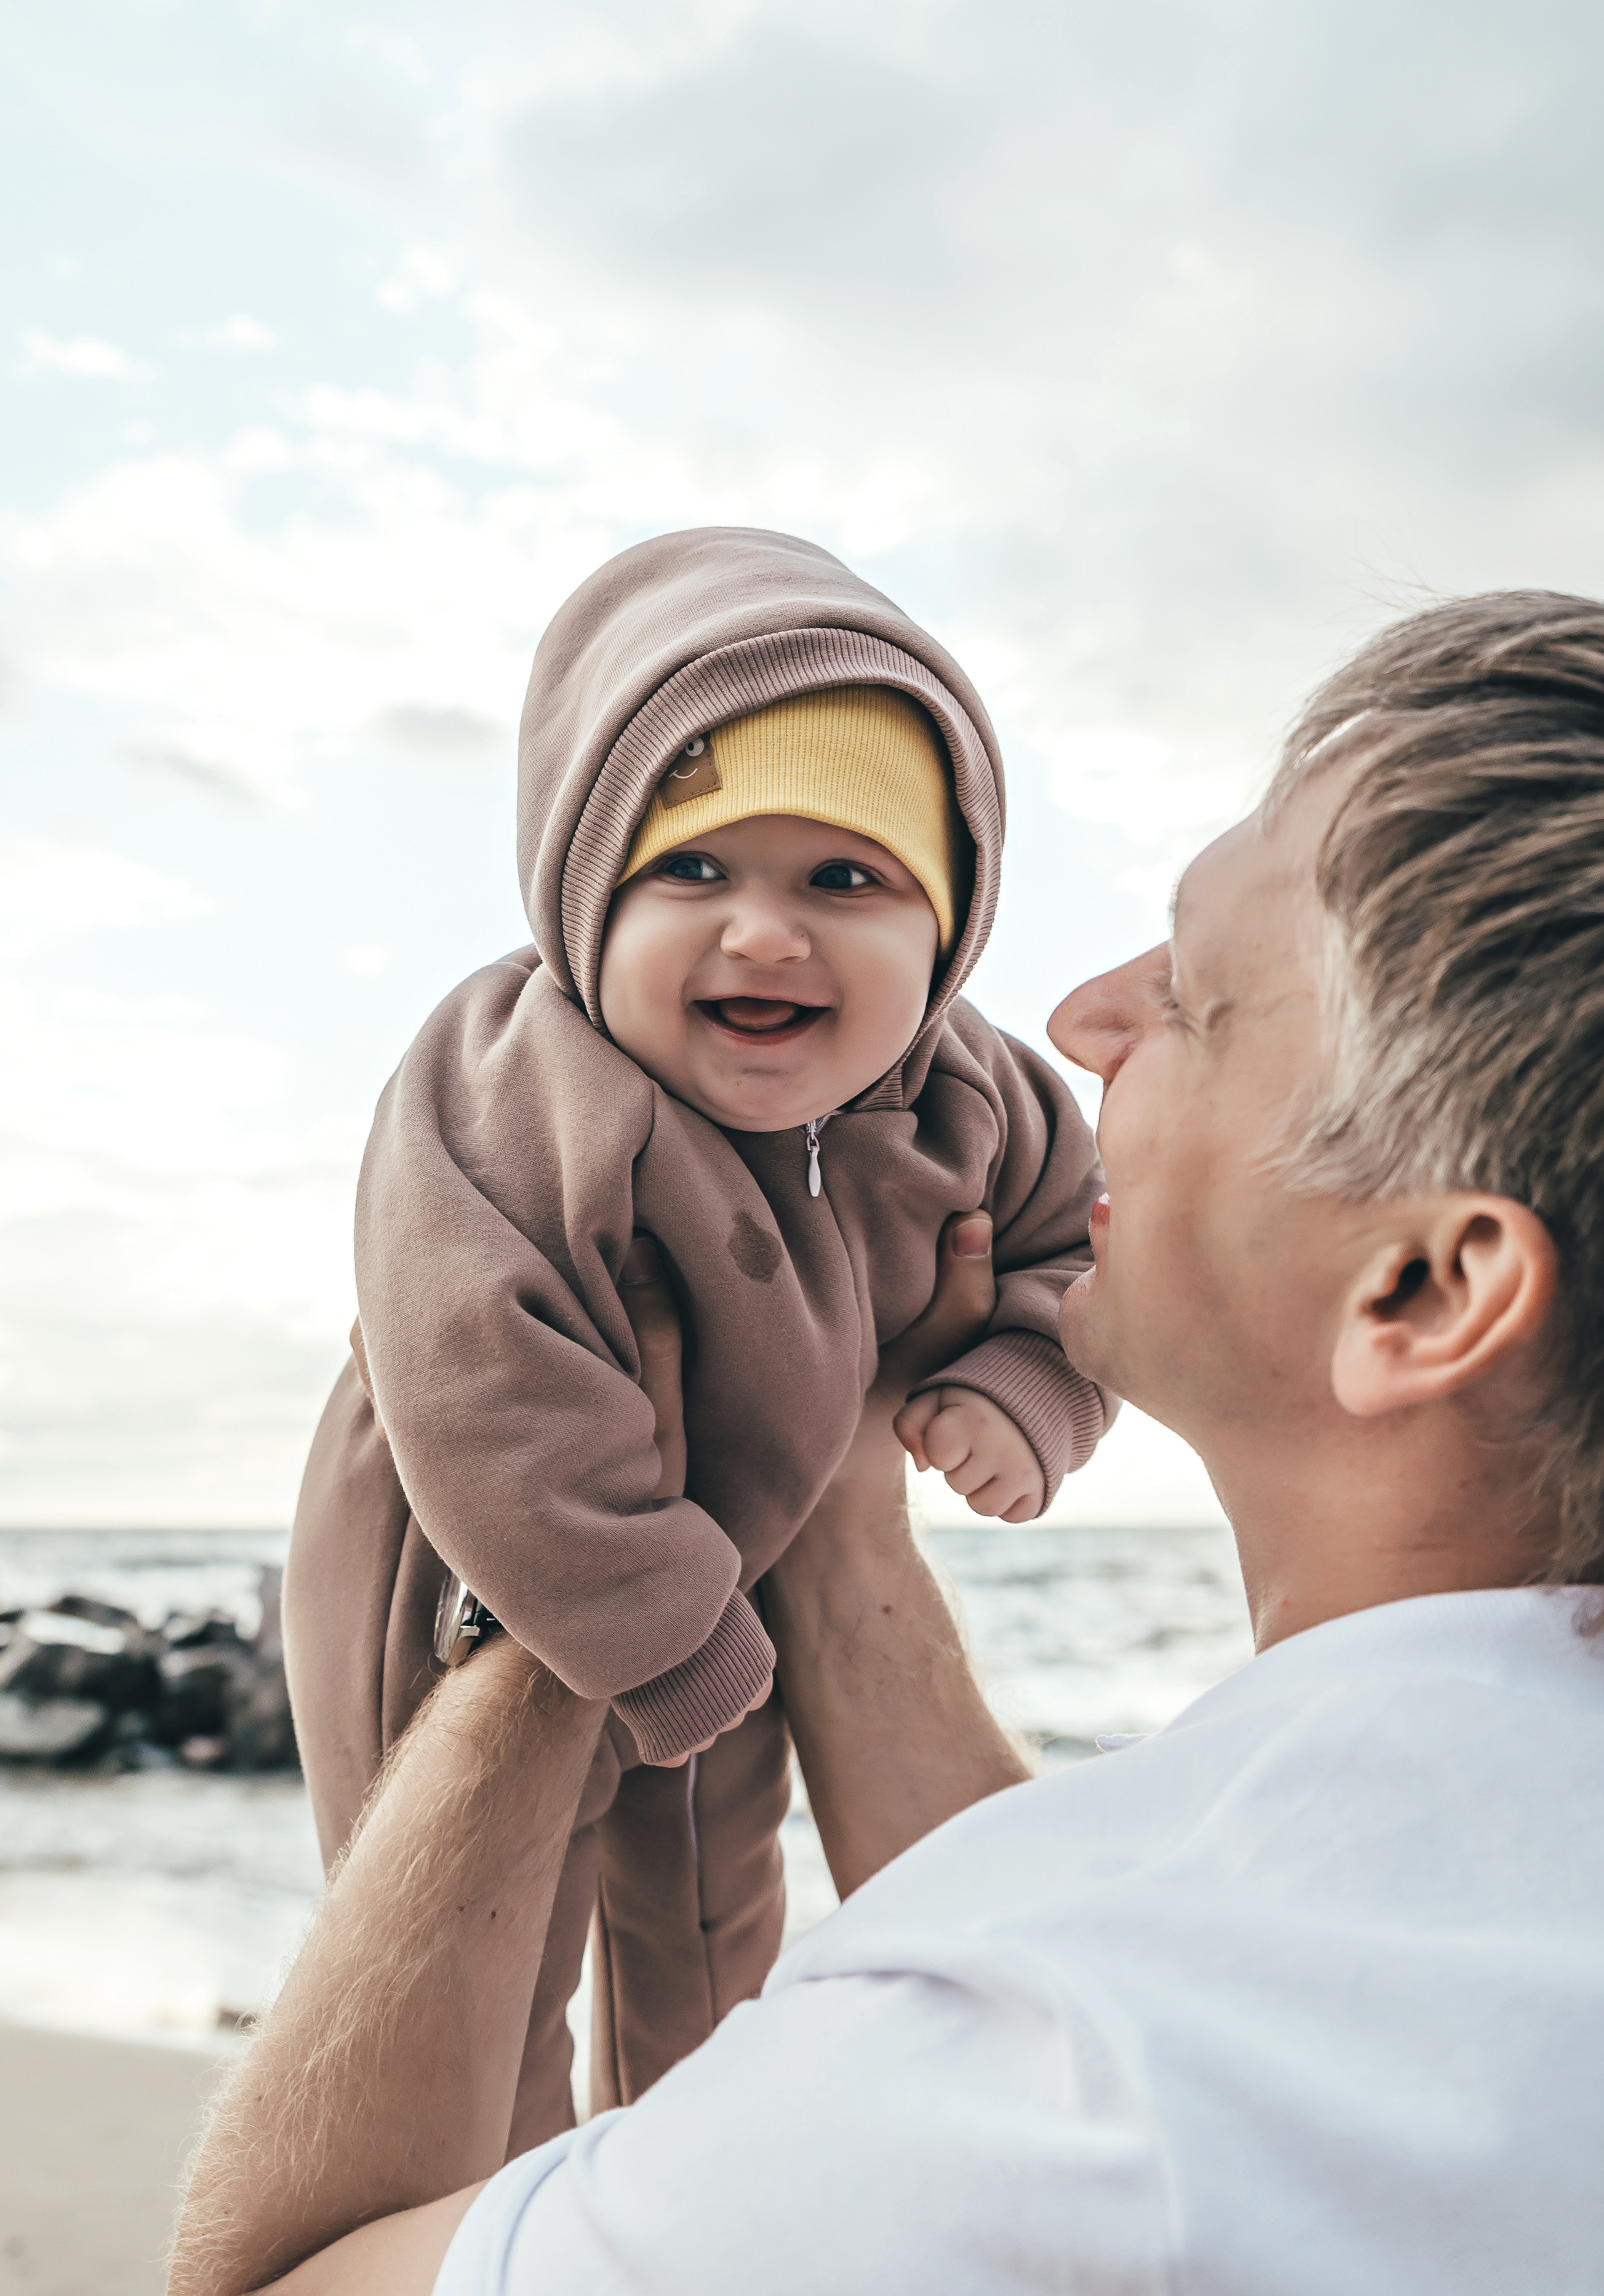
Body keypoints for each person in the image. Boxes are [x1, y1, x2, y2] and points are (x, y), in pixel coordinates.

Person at [172, 587, 1604, 2296]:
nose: (1077, 1014)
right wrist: (842, 1506)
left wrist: (538, 1624)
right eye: (690, 869)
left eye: (1194, 999)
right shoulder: (1356, 1919)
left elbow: (277, 2282)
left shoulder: (1056, 2099)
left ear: (1425, 1288)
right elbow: (1071, 1931)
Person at [280, 525, 1109, 2139]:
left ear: (949, 925)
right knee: (466, 1953)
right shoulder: (513, 1078)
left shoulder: (973, 1095)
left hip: (742, 1549)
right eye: (692, 870)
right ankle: (492, 2190)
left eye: (845, 881)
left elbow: (1068, 1251)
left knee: (715, 1910)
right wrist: (647, 1616)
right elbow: (470, 1359)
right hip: (467, 1557)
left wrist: (1016, 1388)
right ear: (586, 889)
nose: (763, 934)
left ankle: (679, 2174)